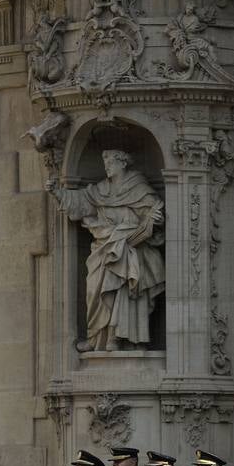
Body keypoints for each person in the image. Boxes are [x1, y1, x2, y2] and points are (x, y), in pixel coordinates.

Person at [47, 149, 165, 352]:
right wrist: (58, 192)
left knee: (124, 287)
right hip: (105, 247)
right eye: (105, 163)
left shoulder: (139, 187)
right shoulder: (100, 190)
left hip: (134, 249)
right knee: (94, 289)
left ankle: (122, 339)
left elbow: (155, 216)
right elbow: (81, 202)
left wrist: (155, 220)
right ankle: (97, 338)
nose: (107, 167)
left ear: (123, 163)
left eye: (111, 162)